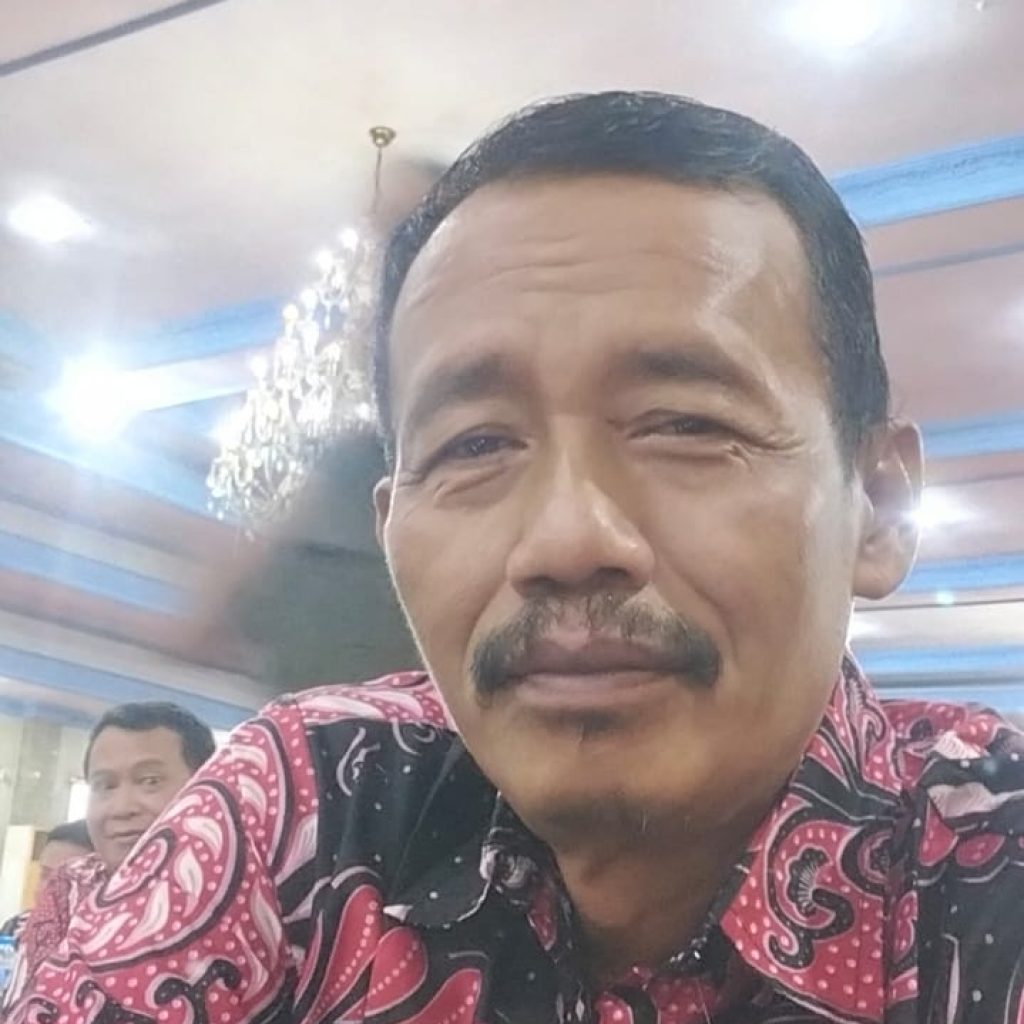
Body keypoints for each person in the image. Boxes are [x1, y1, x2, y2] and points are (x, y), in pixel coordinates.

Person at [12, 91, 1024, 1024]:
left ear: (879, 506)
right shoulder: (311, 806)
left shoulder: (989, 863)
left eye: (685, 423)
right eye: (475, 445)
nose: (565, 540)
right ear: (388, 526)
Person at [2, 702, 215, 1015]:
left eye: (150, 781)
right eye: (105, 786)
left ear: (207, 786)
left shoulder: (251, 893)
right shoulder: (69, 891)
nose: (121, 807)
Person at [0, 820, 92, 940]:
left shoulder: (103, 942)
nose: (47, 888)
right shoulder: (13, 929)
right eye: (45, 874)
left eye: (66, 880)